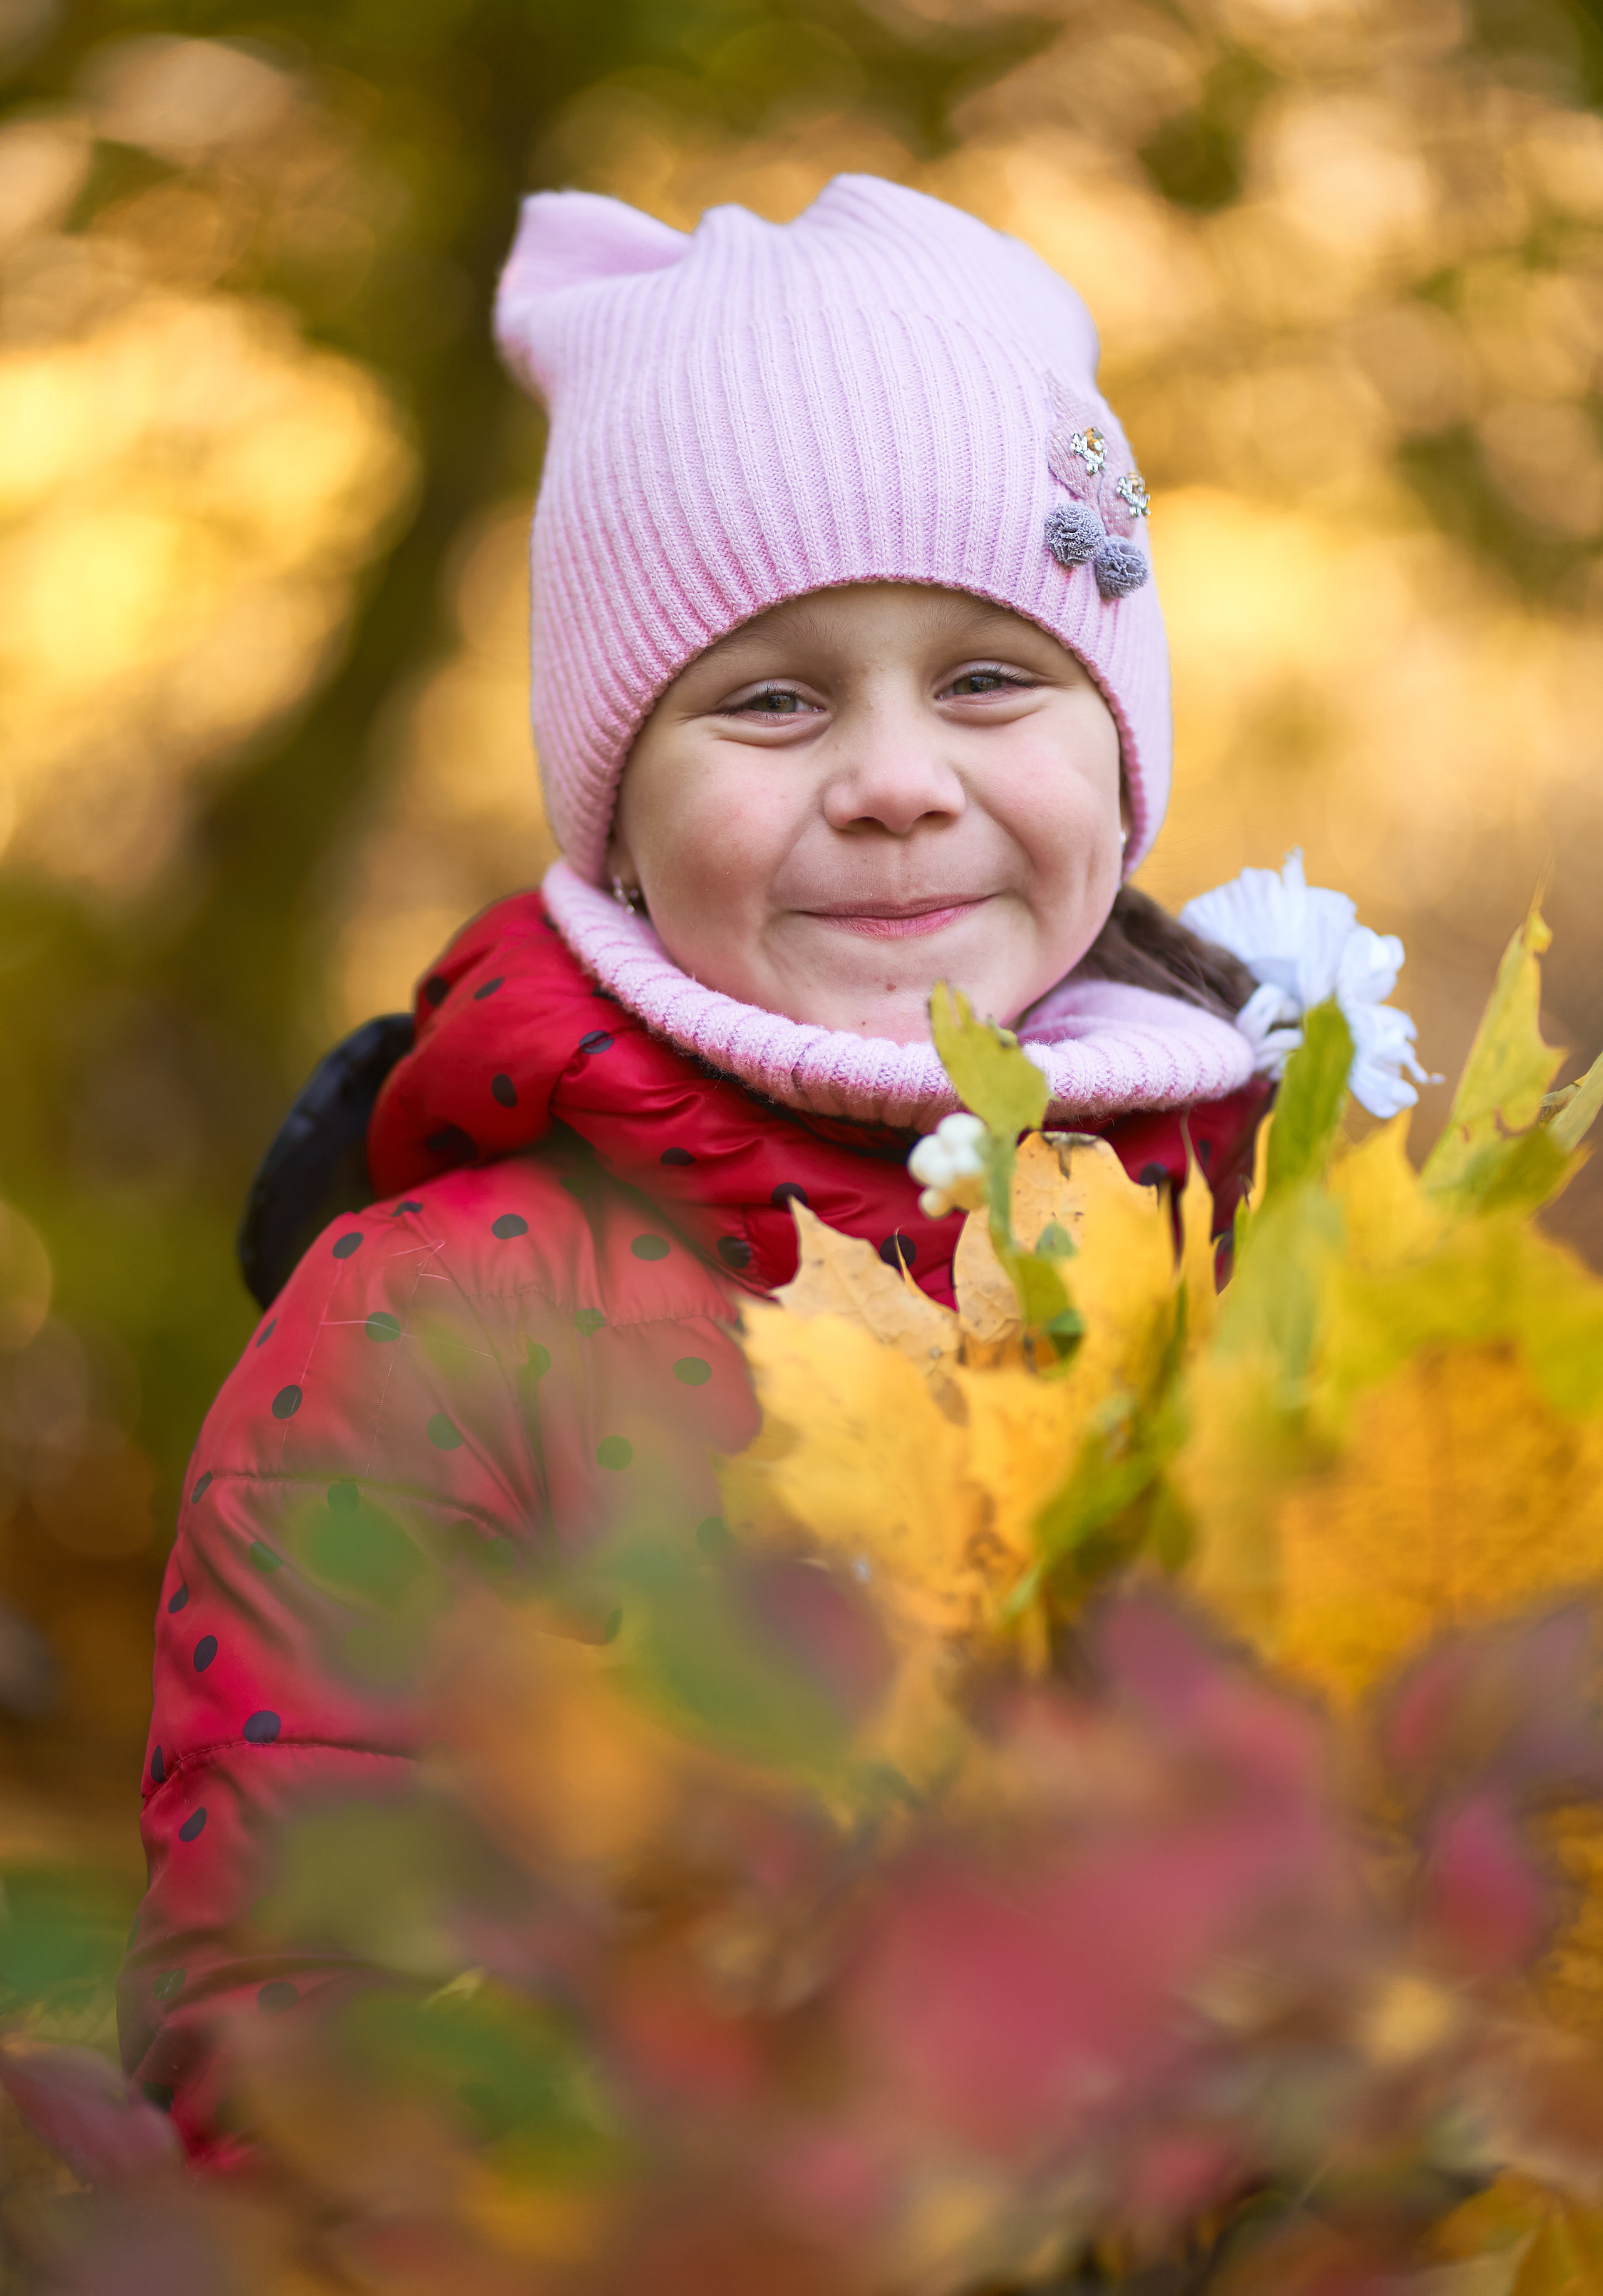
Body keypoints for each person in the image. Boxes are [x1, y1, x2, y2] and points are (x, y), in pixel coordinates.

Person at [118, 176, 1420, 2162]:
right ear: (619, 811)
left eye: (988, 679)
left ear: (1121, 751)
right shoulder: (433, 1324)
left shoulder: (1283, 1252)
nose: (895, 781)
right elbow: (290, 2018)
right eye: (773, 699)